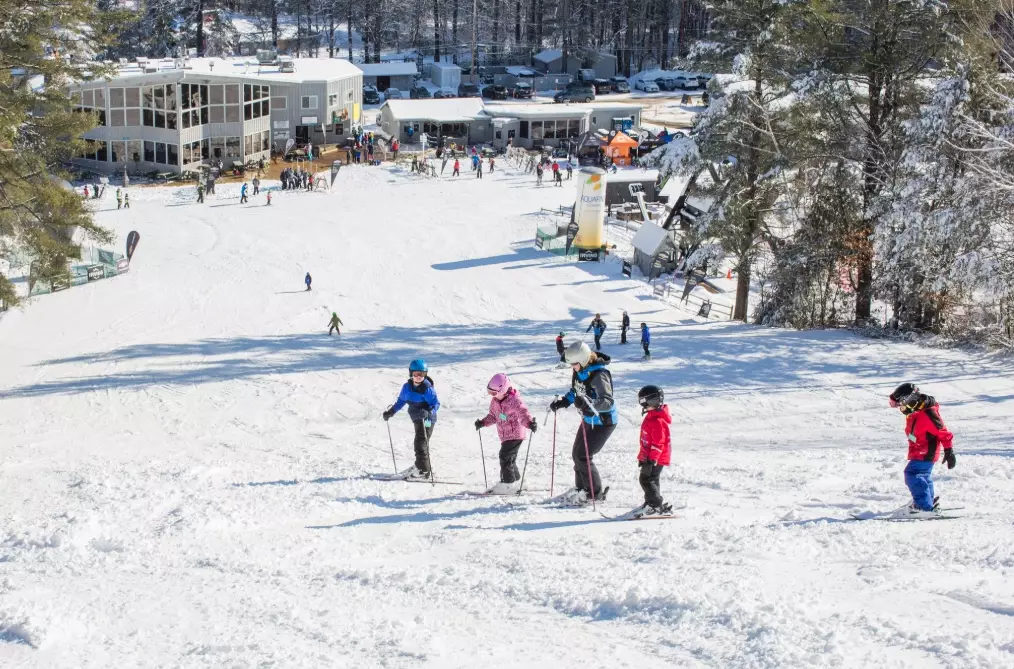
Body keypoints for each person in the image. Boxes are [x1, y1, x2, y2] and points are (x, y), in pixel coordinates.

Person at [548, 341, 617, 505]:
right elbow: (577, 390)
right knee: (576, 454)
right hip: (588, 419)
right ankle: (581, 489)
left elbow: (607, 401)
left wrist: (589, 406)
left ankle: (594, 494)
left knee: (583, 456)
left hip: (603, 422)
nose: (573, 367)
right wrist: (564, 402)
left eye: (575, 364)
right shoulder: (580, 371)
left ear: (585, 359)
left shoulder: (599, 375)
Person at [888, 383, 956, 516]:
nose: (901, 409)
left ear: (909, 401)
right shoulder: (916, 410)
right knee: (922, 476)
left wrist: (949, 451)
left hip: (926, 452)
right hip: (920, 450)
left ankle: (923, 506)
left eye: (901, 406)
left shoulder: (928, 413)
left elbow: (943, 432)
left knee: (912, 474)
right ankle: (928, 501)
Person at [474, 374, 537, 493]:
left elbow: (523, 413)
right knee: (510, 459)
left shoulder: (514, 401)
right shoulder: (495, 401)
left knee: (505, 456)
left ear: (503, 389)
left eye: (493, 393)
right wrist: (483, 422)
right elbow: (494, 416)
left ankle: (507, 484)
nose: (491, 395)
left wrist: (529, 423)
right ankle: (517, 482)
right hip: (505, 435)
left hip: (516, 434)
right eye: (489, 392)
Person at [383, 360, 440, 479]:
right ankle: (420, 465)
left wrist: (429, 411)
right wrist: (391, 412)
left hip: (428, 419)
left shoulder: (427, 389)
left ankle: (423, 470)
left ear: (425, 375)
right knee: (419, 442)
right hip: (417, 418)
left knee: (421, 443)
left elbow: (436, 404)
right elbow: (401, 401)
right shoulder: (407, 387)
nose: (419, 377)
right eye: (416, 374)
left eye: (422, 374)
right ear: (411, 374)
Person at [634, 385, 673, 517]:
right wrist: (642, 457)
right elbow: (646, 440)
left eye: (644, 402)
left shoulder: (657, 421)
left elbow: (658, 443)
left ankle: (655, 506)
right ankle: (651, 503)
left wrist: (652, 459)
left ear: (653, 401)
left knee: (646, 479)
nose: (642, 406)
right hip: (652, 456)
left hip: (656, 457)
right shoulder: (651, 415)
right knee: (652, 479)